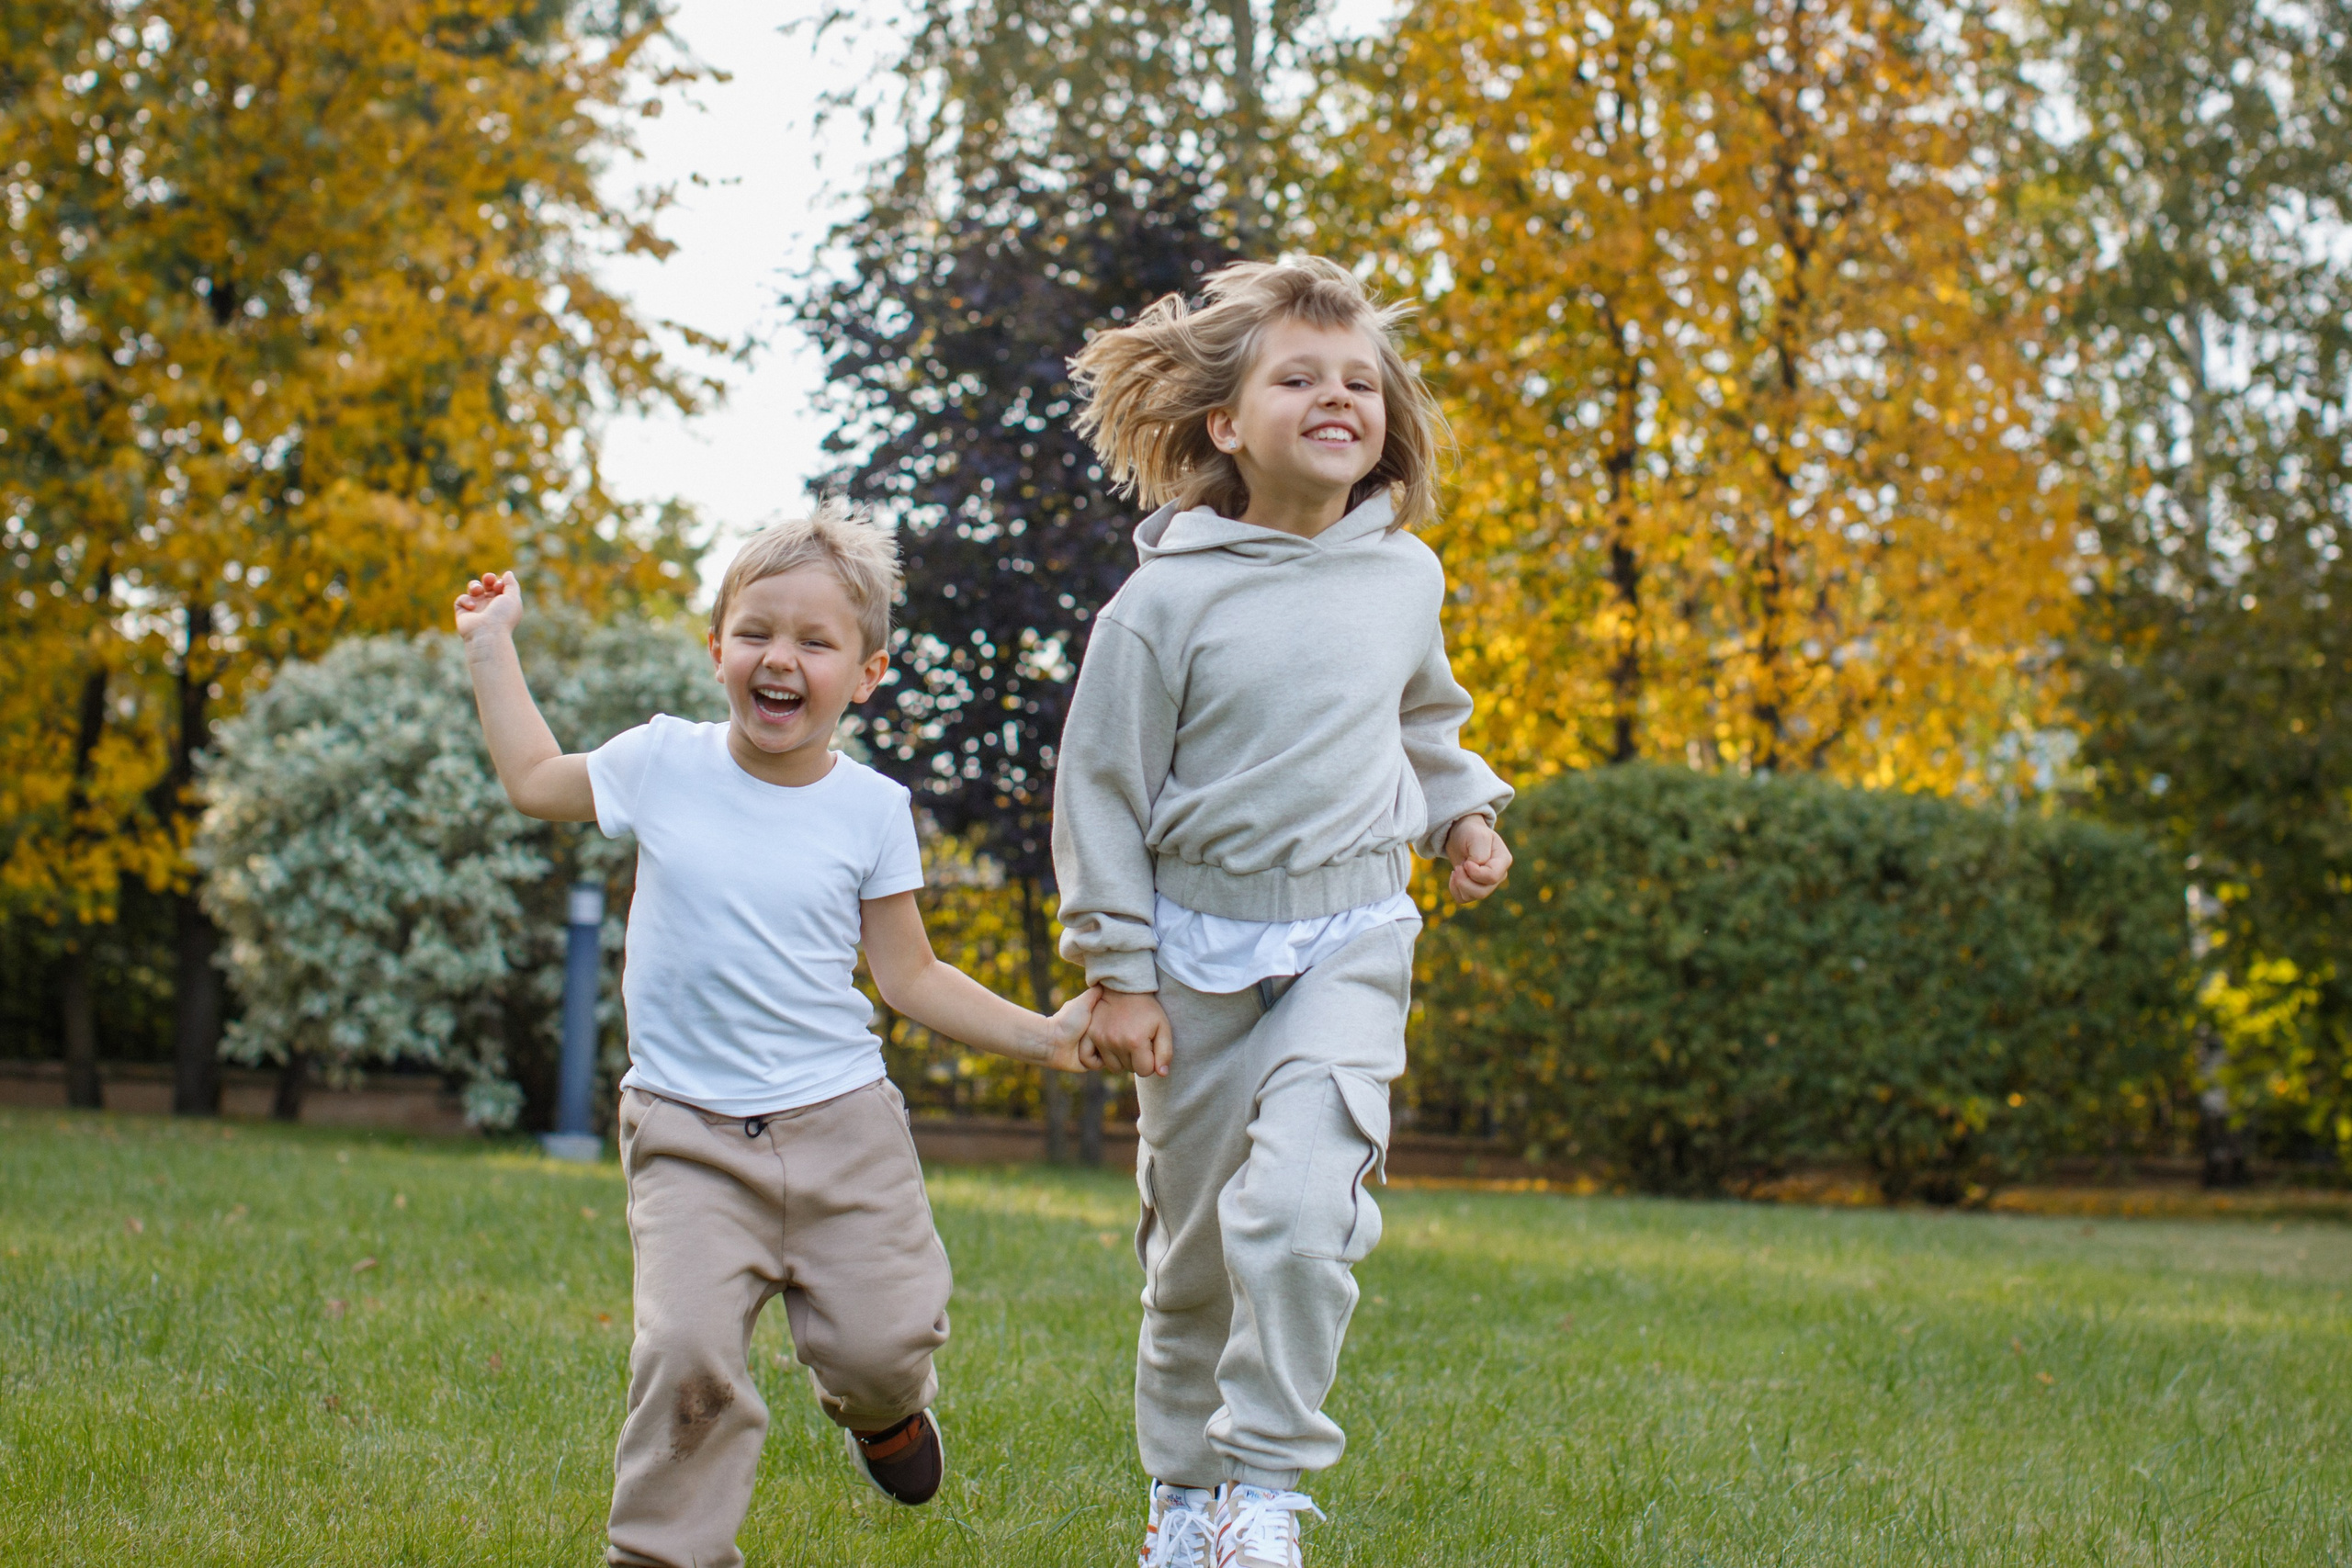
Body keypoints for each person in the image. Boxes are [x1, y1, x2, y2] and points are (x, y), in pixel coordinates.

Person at [452, 502, 1099, 1568]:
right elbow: (533, 782)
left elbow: (910, 975)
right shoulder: (662, 763)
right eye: (756, 633)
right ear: (717, 652)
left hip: (843, 1126)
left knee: (885, 1343)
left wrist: (1046, 1039)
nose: (779, 658)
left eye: (814, 641)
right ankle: (664, 1554)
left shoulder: (871, 811)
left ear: (868, 674)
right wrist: (490, 646)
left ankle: (885, 1414)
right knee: (688, 1355)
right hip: (687, 1135)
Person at [1055, 257, 1515, 1568]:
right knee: (1195, 1247)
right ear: (1224, 421)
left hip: (1353, 934)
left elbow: (1422, 719)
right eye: (1300, 376)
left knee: (1304, 1212)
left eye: (1359, 380)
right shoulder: (1162, 604)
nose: (1338, 397)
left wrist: (1462, 815)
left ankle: (1265, 1485)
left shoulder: (1402, 576)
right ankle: (1184, 1488)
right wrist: (1121, 972)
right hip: (1193, 955)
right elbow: (1099, 795)